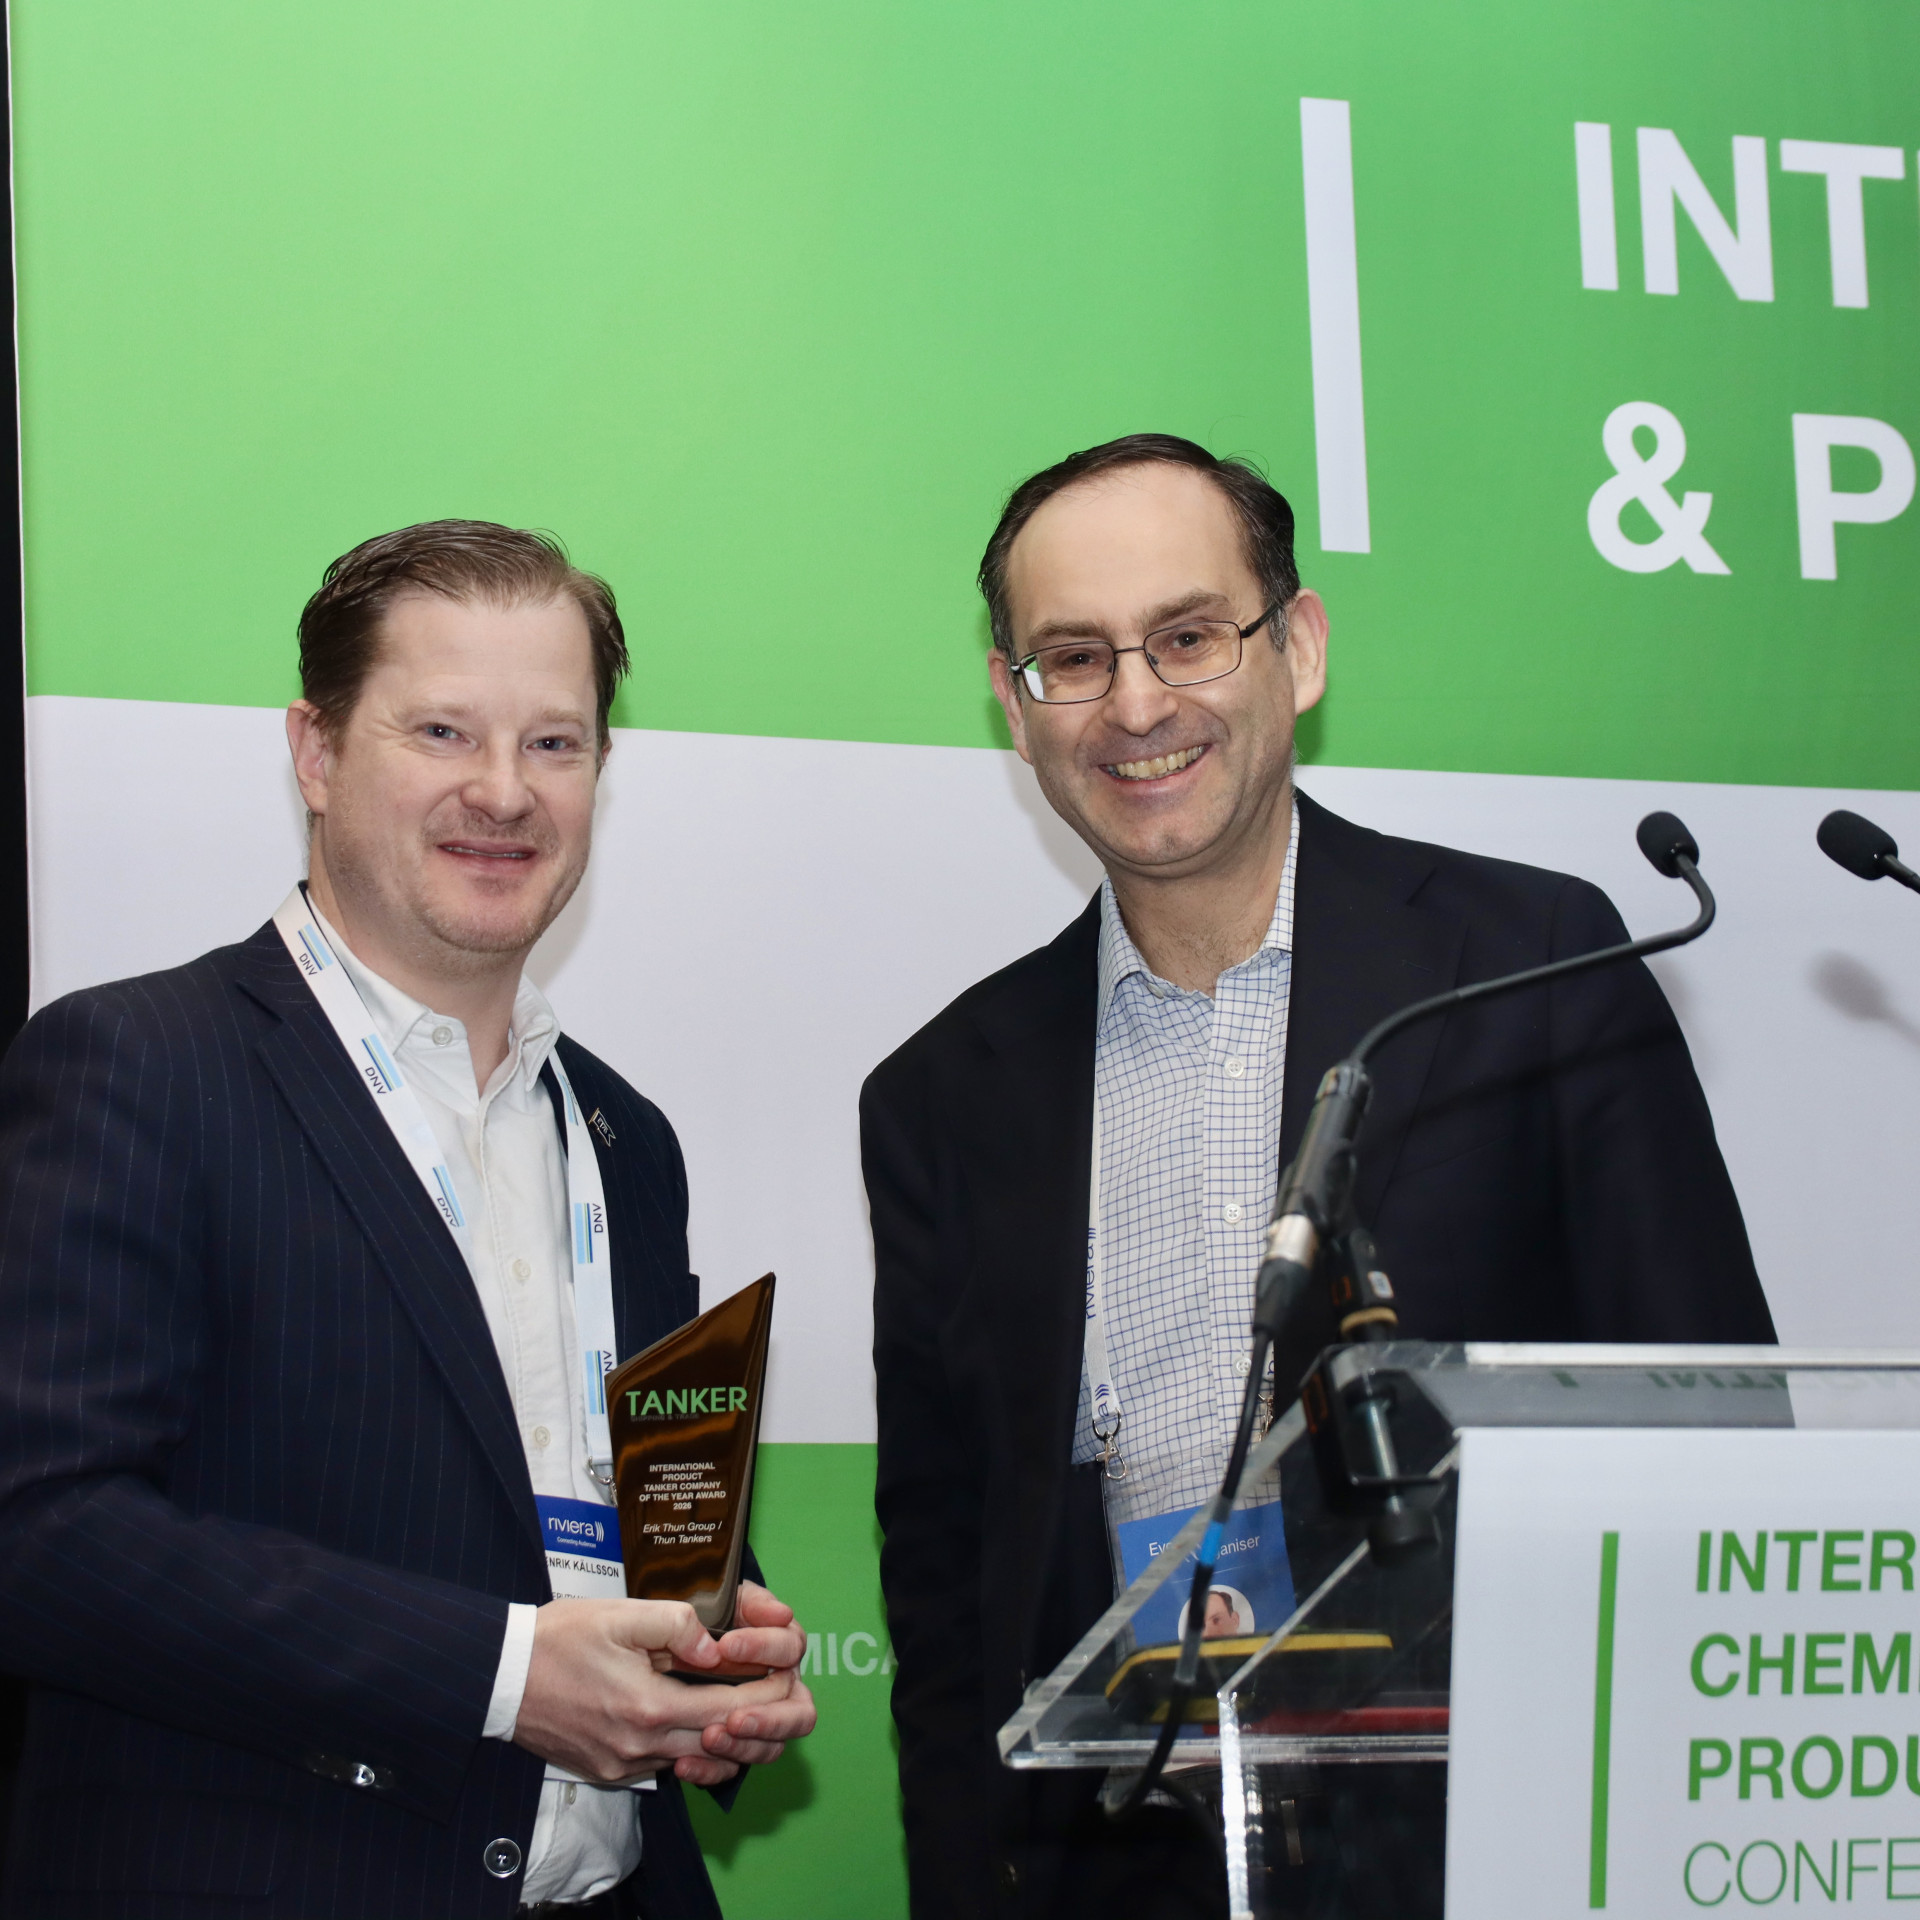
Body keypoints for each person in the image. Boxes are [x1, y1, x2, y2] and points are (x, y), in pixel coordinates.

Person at [862, 435, 1775, 1918]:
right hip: (1124, 1863)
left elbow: (1717, 1437)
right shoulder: (942, 1097)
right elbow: (946, 1590)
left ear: (1298, 648)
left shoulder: (1534, 968)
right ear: (1015, 707)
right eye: (1074, 658)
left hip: (1502, 1848)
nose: (1137, 704)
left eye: (1189, 636)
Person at [0, 522, 816, 1918]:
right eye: (442, 731)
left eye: (554, 743)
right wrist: (504, 1677)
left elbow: (624, 1531)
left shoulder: (628, 1141)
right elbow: (40, 1535)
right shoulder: (139, 1067)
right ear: (315, 752)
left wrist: (712, 1655)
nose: (503, 790)